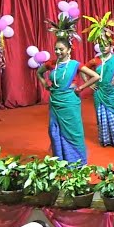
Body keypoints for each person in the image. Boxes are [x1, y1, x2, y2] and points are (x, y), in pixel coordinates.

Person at [37, 37, 100, 165]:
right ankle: (60, 159)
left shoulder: (75, 64)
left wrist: (82, 87)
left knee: (73, 132)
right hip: (55, 101)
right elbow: (39, 72)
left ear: (69, 50)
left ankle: (78, 161)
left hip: (70, 101)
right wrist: (44, 83)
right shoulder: (51, 64)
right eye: (56, 49)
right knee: (54, 130)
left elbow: (96, 76)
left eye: (61, 49)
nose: (58, 52)